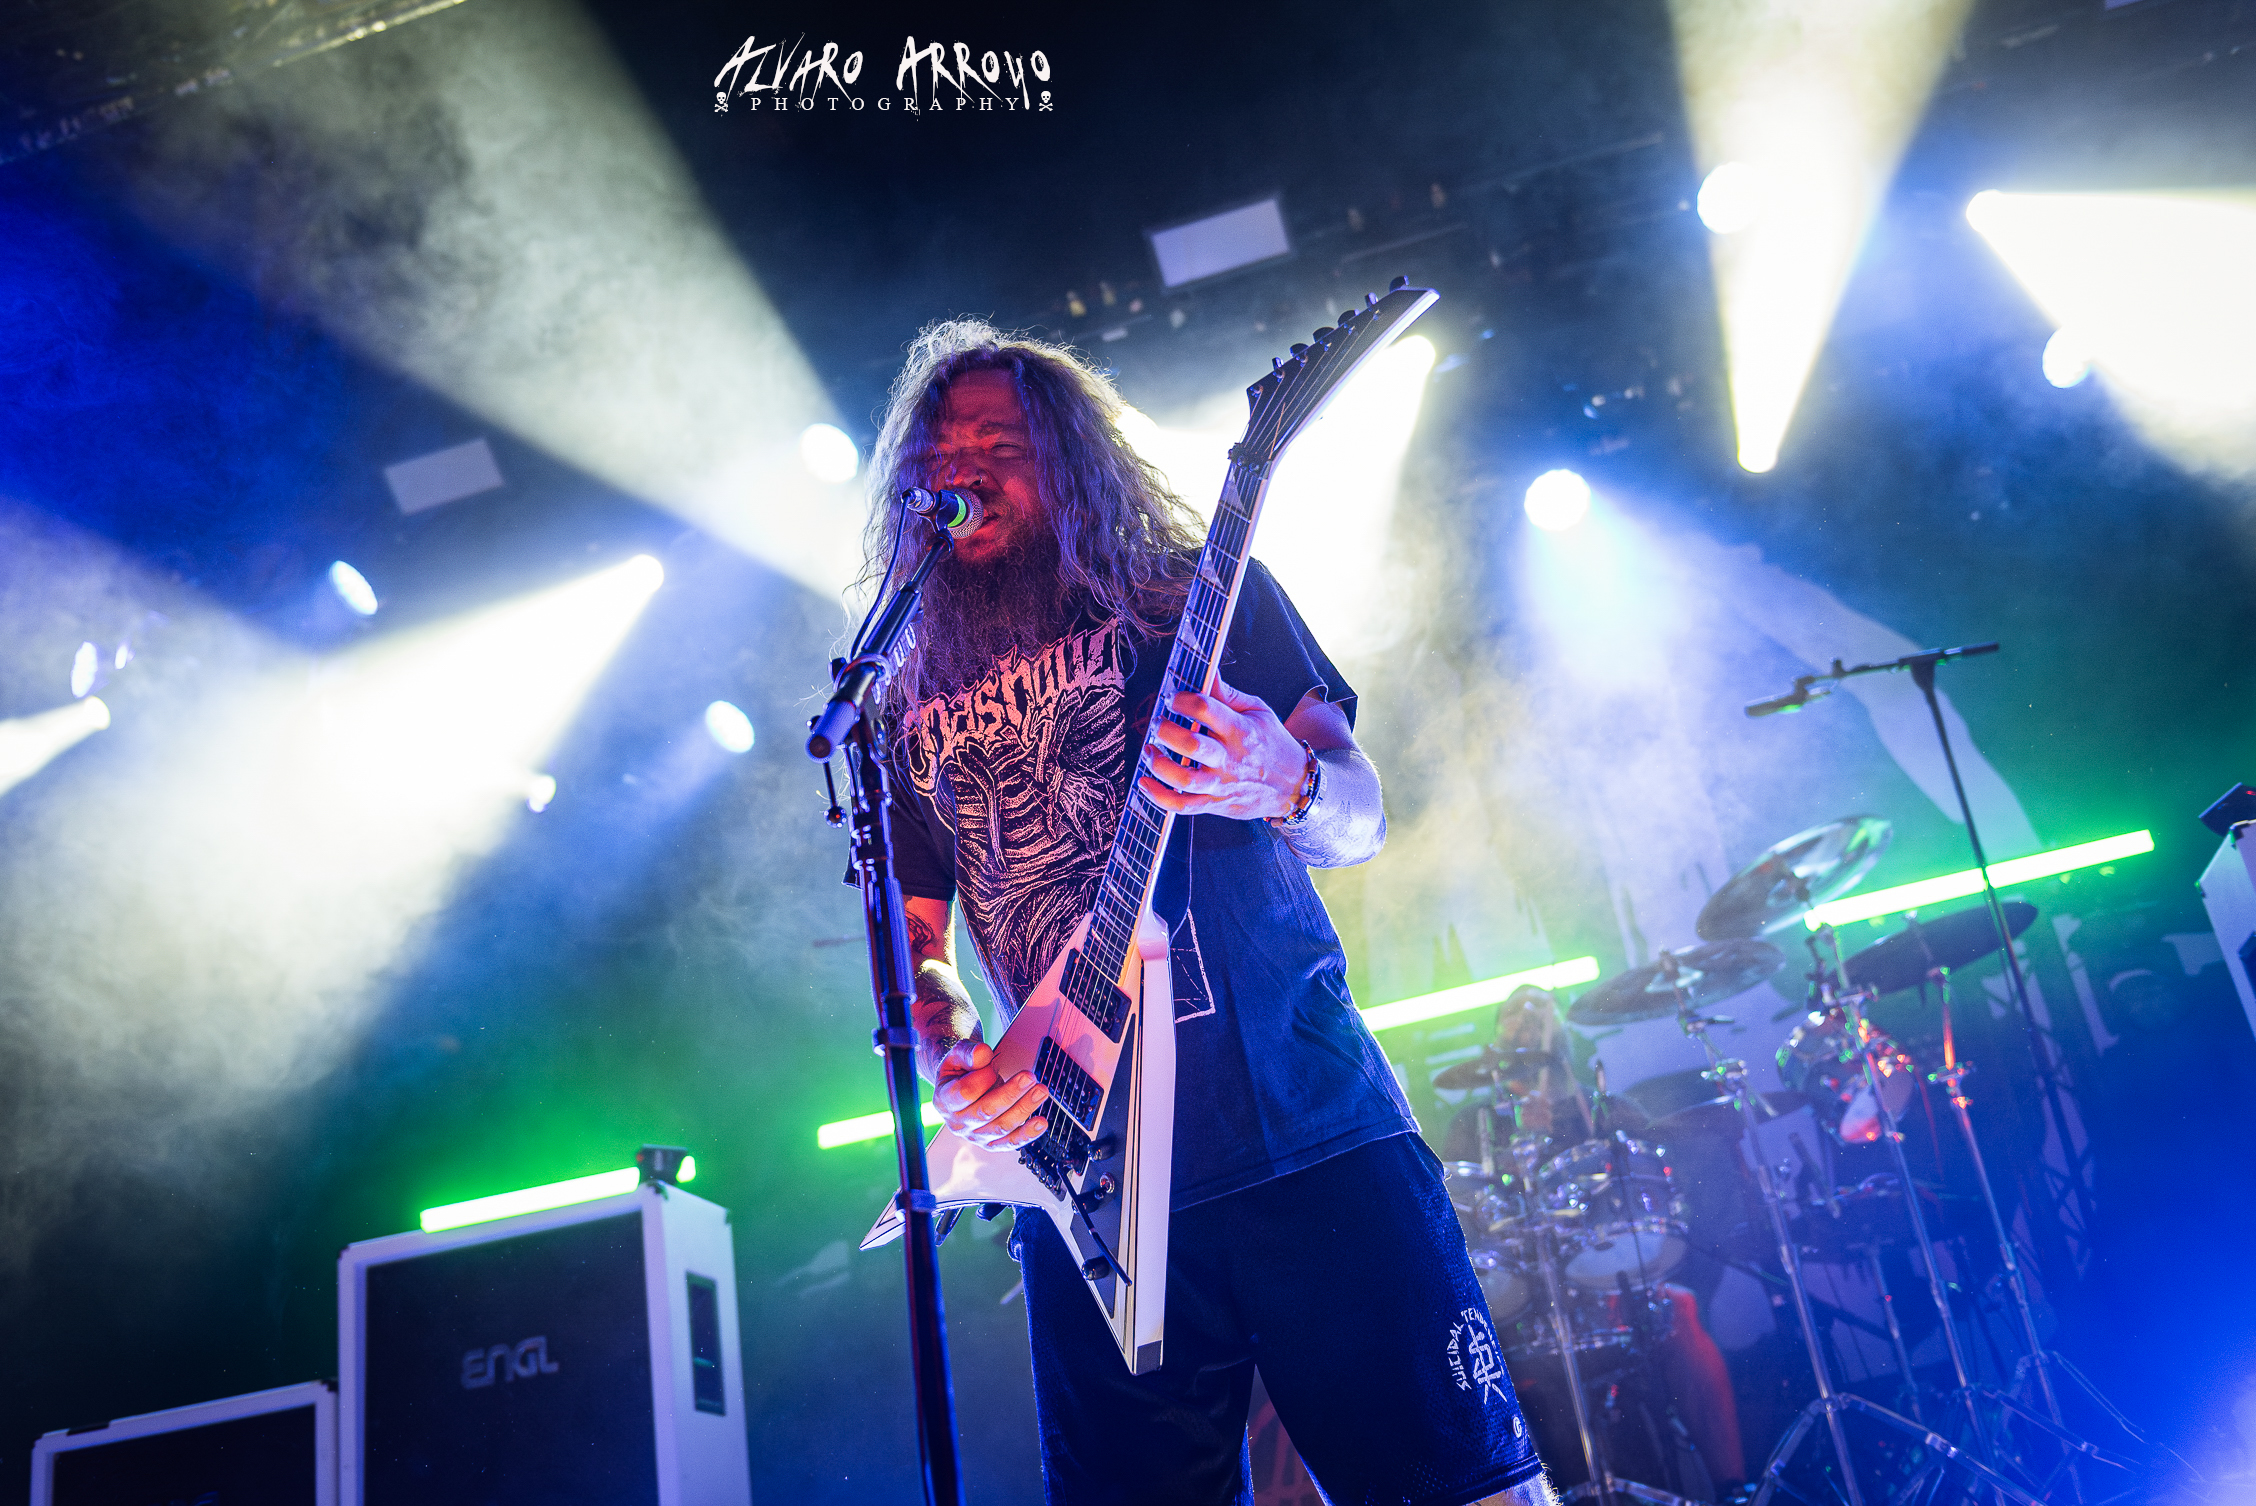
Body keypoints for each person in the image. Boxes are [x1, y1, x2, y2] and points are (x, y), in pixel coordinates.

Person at [867, 318, 1556, 1506]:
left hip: (1301, 1127)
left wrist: (1281, 780)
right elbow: (915, 935)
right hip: (1086, 1179)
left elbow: (1359, 814)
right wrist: (944, 1040)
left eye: (999, 445)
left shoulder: (1193, 597)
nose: (960, 471)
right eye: (940, 451)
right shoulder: (901, 696)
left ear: (1070, 460)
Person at [1439, 987, 1746, 1498]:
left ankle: (1734, 1488)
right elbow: (1459, 1213)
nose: (1528, 1015)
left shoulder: (1605, 1109)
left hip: (1603, 1279)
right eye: (1513, 1010)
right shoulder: (1473, 1122)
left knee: (1682, 1310)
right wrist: (1516, 1158)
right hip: (1519, 1297)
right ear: (1495, 1036)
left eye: (1542, 1005)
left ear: (1563, 1026)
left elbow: (1644, 1190)